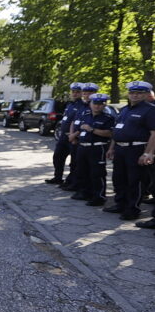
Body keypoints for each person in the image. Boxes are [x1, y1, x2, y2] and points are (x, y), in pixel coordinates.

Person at [104, 81, 155, 220]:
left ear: (145, 94)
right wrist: (112, 148)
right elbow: (117, 130)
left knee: (135, 180)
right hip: (120, 149)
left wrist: (148, 153)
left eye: (139, 93)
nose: (135, 95)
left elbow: (154, 133)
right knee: (118, 178)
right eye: (132, 92)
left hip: (137, 149)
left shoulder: (150, 110)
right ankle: (120, 204)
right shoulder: (125, 109)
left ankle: (133, 209)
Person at [69, 93, 115, 206]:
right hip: (83, 146)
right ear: (90, 104)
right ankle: (85, 192)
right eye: (95, 103)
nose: (97, 106)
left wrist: (92, 130)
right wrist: (75, 136)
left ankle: (99, 197)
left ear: (104, 105)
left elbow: (110, 133)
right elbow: (81, 128)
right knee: (82, 171)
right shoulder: (86, 115)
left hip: (97, 147)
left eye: (100, 104)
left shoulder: (108, 118)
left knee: (97, 173)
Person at [45, 82, 84, 185]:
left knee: (74, 161)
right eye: (73, 92)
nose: (75, 94)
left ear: (81, 93)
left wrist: (75, 135)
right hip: (63, 136)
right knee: (57, 157)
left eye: (77, 92)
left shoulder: (83, 106)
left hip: (73, 137)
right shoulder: (69, 104)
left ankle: (71, 181)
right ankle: (58, 177)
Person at [65, 83, 96, 192]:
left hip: (86, 140)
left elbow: (87, 124)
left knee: (84, 167)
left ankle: (82, 187)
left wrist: (74, 135)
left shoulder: (94, 106)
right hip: (77, 139)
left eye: (89, 93)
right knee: (75, 163)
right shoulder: (81, 106)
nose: (86, 95)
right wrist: (72, 135)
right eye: (85, 93)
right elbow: (74, 121)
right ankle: (75, 183)